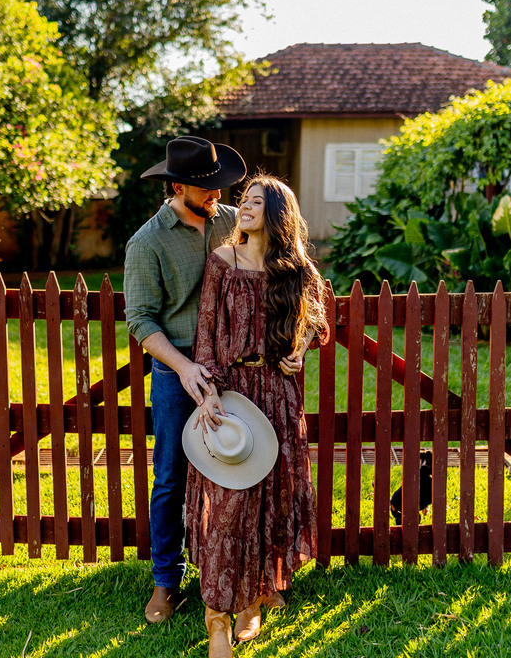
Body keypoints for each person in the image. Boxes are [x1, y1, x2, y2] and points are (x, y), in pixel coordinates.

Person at [126, 136, 291, 625]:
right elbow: (140, 320)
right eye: (206, 188)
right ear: (178, 188)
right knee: (171, 477)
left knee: (250, 472)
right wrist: (184, 367)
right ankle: (166, 582)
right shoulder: (147, 242)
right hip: (180, 373)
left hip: (237, 371)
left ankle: (258, 578)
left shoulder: (232, 221)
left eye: (219, 186)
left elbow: (283, 263)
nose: (218, 195)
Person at [184, 174, 329, 657]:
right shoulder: (222, 261)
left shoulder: (296, 267)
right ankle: (216, 616)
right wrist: (208, 393)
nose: (243, 207)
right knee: (230, 503)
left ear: (277, 213)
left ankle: (255, 596)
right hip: (232, 393)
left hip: (278, 393)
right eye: (243, 200)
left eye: (255, 202)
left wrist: (300, 349)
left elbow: (319, 320)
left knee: (271, 497)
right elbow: (206, 333)